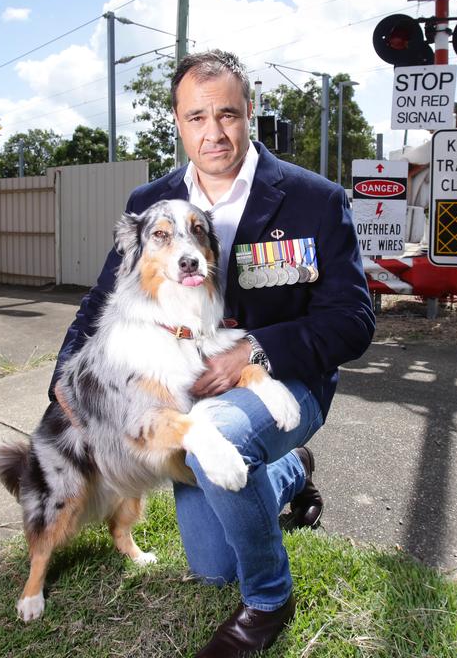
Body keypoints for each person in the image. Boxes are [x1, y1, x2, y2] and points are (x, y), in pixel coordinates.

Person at [49, 49, 374, 656]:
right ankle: (290, 472)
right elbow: (103, 298)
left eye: (226, 114)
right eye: (196, 118)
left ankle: (270, 600)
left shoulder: (314, 200)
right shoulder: (153, 200)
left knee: (217, 438)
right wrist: (63, 384)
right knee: (210, 565)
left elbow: (354, 321)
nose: (213, 132)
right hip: (183, 384)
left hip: (282, 382)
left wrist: (254, 348)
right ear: (177, 122)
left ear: (249, 112)